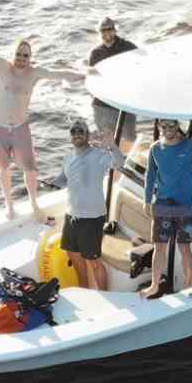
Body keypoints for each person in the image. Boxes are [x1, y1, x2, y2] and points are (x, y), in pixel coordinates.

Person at [0, 10, 81, 220]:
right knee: (3, 168)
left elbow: (57, 74)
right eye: (19, 54)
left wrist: (80, 76)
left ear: (31, 57)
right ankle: (9, 206)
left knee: (31, 169)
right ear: (14, 54)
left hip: (20, 127)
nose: (21, 58)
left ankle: (34, 204)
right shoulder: (2, 67)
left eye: (26, 55)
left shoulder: (34, 73)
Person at [142, 118, 192, 297]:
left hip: (185, 207)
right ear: (159, 127)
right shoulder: (155, 148)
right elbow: (150, 176)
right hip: (162, 205)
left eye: (171, 125)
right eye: (164, 126)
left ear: (178, 126)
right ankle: (154, 285)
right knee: (159, 247)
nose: (167, 129)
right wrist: (147, 200)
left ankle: (189, 282)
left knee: (184, 248)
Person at [50, 121, 122, 290]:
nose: (77, 134)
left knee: (93, 260)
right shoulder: (68, 157)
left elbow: (119, 163)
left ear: (88, 135)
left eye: (81, 131)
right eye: (73, 131)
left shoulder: (99, 155)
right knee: (73, 255)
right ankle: (84, 290)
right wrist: (52, 183)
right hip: (71, 215)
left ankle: (105, 295)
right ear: (70, 137)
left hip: (91, 218)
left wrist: (111, 146)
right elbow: (63, 179)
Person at [88, 15, 137, 145]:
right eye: (103, 30)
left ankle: (125, 163)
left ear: (115, 30)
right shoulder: (95, 53)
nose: (106, 32)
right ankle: (110, 164)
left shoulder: (128, 47)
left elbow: (141, 67)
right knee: (106, 141)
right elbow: (92, 78)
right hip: (102, 104)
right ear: (99, 33)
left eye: (110, 29)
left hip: (125, 101)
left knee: (129, 139)